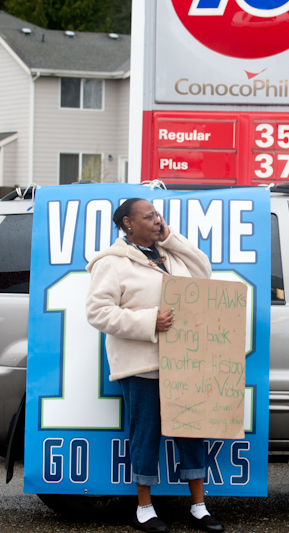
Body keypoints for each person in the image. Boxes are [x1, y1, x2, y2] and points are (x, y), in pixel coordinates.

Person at [86, 197, 223, 533]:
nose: (156, 220)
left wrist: (170, 236)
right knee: (145, 434)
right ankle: (144, 508)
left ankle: (199, 506)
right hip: (141, 364)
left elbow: (204, 270)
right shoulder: (112, 263)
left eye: (158, 215)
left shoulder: (170, 253)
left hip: (182, 362)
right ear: (128, 224)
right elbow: (97, 312)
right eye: (148, 217)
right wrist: (149, 322)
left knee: (191, 430)